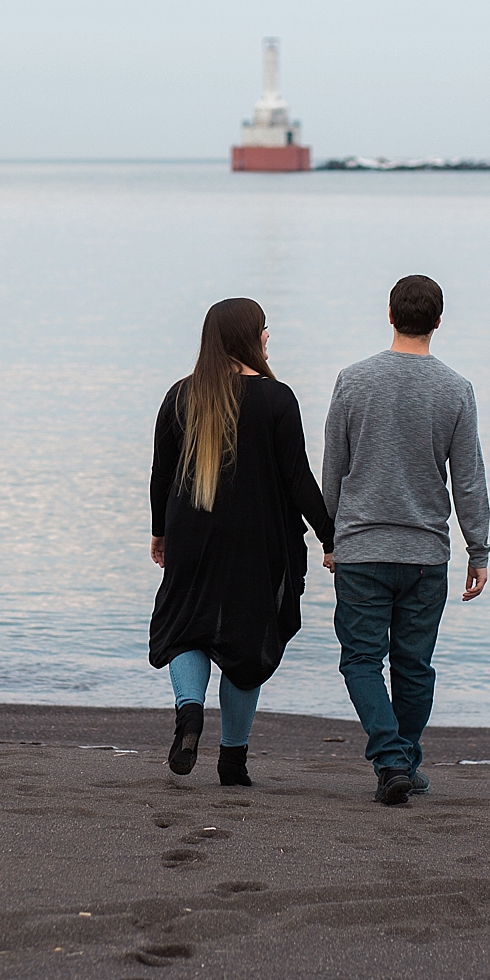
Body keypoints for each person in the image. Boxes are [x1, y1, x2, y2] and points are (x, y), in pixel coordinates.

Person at [149, 298, 335, 786]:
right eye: (265, 329)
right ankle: (232, 760)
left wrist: (159, 532)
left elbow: (161, 476)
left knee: (188, 627)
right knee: (246, 644)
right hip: (258, 541)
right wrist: (329, 536)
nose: (269, 336)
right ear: (250, 337)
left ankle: (190, 715)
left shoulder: (179, 396)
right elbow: (299, 481)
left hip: (191, 536)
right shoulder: (277, 399)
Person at [321, 274, 490, 806]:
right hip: (425, 554)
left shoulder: (353, 380)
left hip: (362, 548)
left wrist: (329, 536)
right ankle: (402, 759)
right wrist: (478, 548)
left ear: (390, 315)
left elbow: (334, 467)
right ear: (438, 322)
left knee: (361, 660)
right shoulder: (455, 389)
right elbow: (468, 478)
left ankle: (392, 759)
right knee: (413, 665)